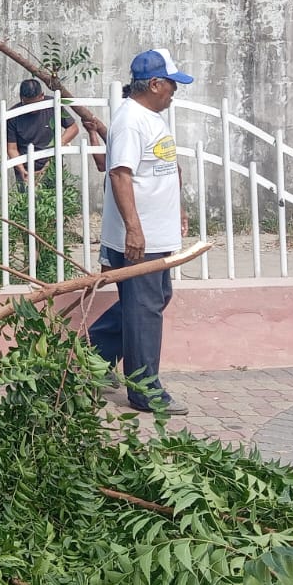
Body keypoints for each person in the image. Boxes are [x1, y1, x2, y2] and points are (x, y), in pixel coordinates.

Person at [88, 49, 194, 415]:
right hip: (140, 239)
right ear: (155, 84)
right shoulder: (132, 120)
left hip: (156, 235)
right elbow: (120, 174)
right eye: (172, 84)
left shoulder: (149, 117)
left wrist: (177, 207)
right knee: (144, 310)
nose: (175, 91)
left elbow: (164, 166)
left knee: (151, 300)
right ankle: (144, 390)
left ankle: (94, 359)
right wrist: (134, 230)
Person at [6, 78, 78, 186]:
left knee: (55, 195)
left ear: (42, 95)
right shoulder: (13, 115)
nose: (32, 109)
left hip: (52, 166)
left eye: (35, 104)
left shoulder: (52, 105)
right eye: (27, 104)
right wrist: (22, 170)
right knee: (25, 196)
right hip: (25, 168)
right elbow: (12, 149)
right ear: (21, 98)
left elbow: (73, 128)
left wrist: (59, 144)